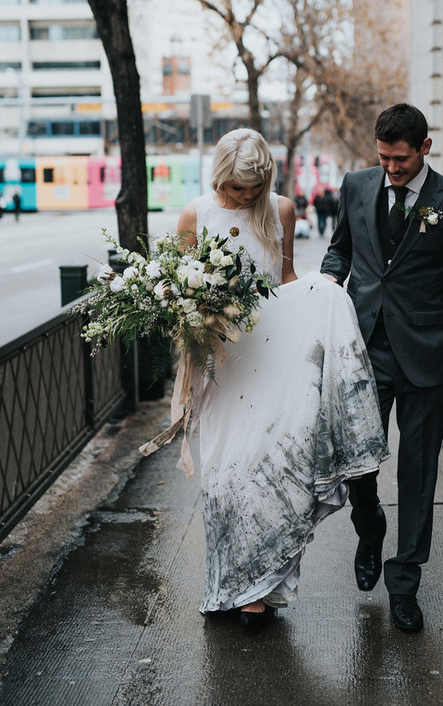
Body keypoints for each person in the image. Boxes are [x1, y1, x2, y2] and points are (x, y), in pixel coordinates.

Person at [175, 129, 389, 629]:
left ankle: (262, 590)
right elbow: (183, 290)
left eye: (254, 189)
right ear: (219, 178)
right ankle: (228, 586)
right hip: (225, 364)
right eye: (236, 189)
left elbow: (286, 278)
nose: (245, 197)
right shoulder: (195, 214)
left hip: (277, 358)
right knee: (225, 474)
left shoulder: (282, 209)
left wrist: (320, 300)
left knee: (273, 468)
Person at [321, 103, 443, 633]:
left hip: (426, 356)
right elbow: (339, 252)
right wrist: (327, 285)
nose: (392, 169)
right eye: (384, 159)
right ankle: (370, 526)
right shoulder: (356, 185)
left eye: (402, 160)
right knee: (357, 464)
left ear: (424, 148)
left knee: (418, 473)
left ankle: (405, 581)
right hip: (363, 348)